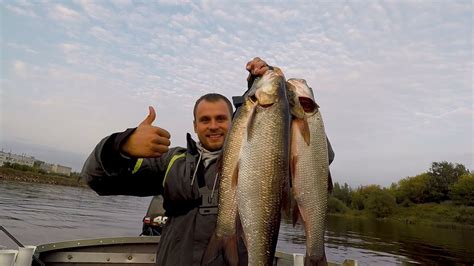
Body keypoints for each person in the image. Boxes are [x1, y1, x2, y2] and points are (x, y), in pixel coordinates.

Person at [81, 57, 335, 265]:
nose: (213, 126)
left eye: (221, 119)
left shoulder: (267, 154)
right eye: (205, 120)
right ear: (194, 125)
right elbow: (96, 180)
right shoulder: (171, 161)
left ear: (237, 119)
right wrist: (121, 146)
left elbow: (316, 159)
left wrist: (281, 101)